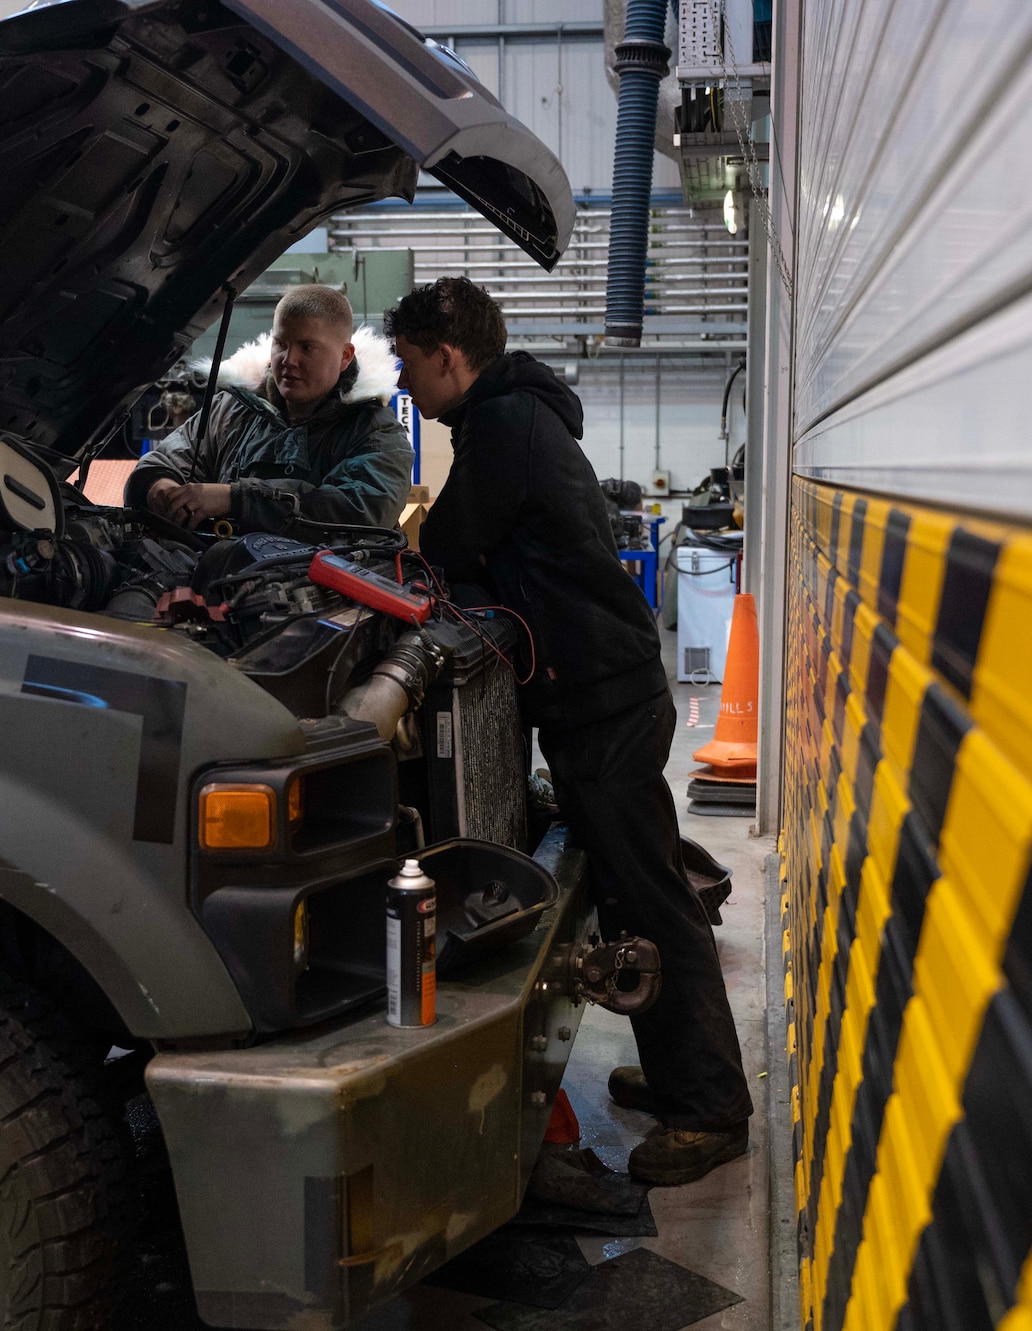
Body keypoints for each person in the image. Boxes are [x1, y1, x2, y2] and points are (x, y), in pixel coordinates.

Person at [386, 277, 752, 1186]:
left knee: (652, 894)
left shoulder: (503, 426)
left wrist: (416, 540)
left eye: (408, 361)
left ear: (447, 354)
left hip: (604, 700)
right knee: (634, 893)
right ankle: (678, 1070)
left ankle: (708, 1107)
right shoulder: (511, 416)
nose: (405, 378)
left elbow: (453, 545)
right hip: (603, 691)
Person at [125, 285, 412, 534]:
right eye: (281, 344)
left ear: (345, 356)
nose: (289, 360)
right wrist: (159, 488)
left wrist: (236, 499)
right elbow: (164, 461)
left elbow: (363, 508)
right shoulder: (230, 412)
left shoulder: (375, 431)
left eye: (307, 347)